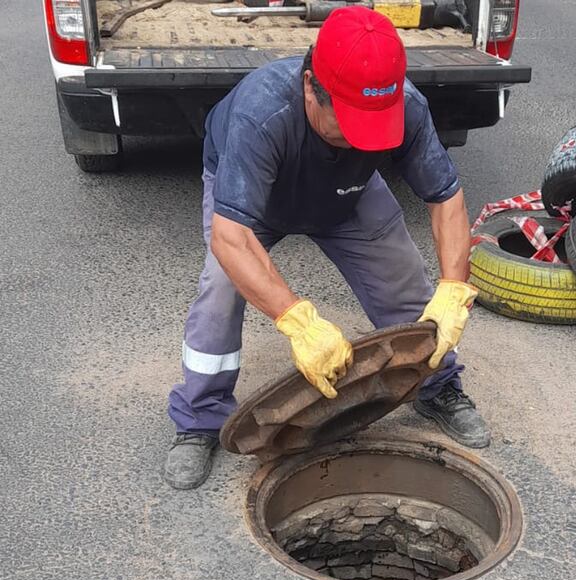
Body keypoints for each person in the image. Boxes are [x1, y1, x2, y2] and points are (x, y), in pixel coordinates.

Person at [163, 6, 490, 490]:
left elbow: (446, 200)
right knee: (219, 291)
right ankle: (199, 420)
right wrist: (298, 321)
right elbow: (231, 238)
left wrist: (452, 288)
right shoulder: (262, 113)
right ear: (311, 85)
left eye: (375, 125)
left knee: (407, 282)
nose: (364, 138)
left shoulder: (408, 106)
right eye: (352, 123)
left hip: (348, 191)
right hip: (257, 197)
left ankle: (438, 387)